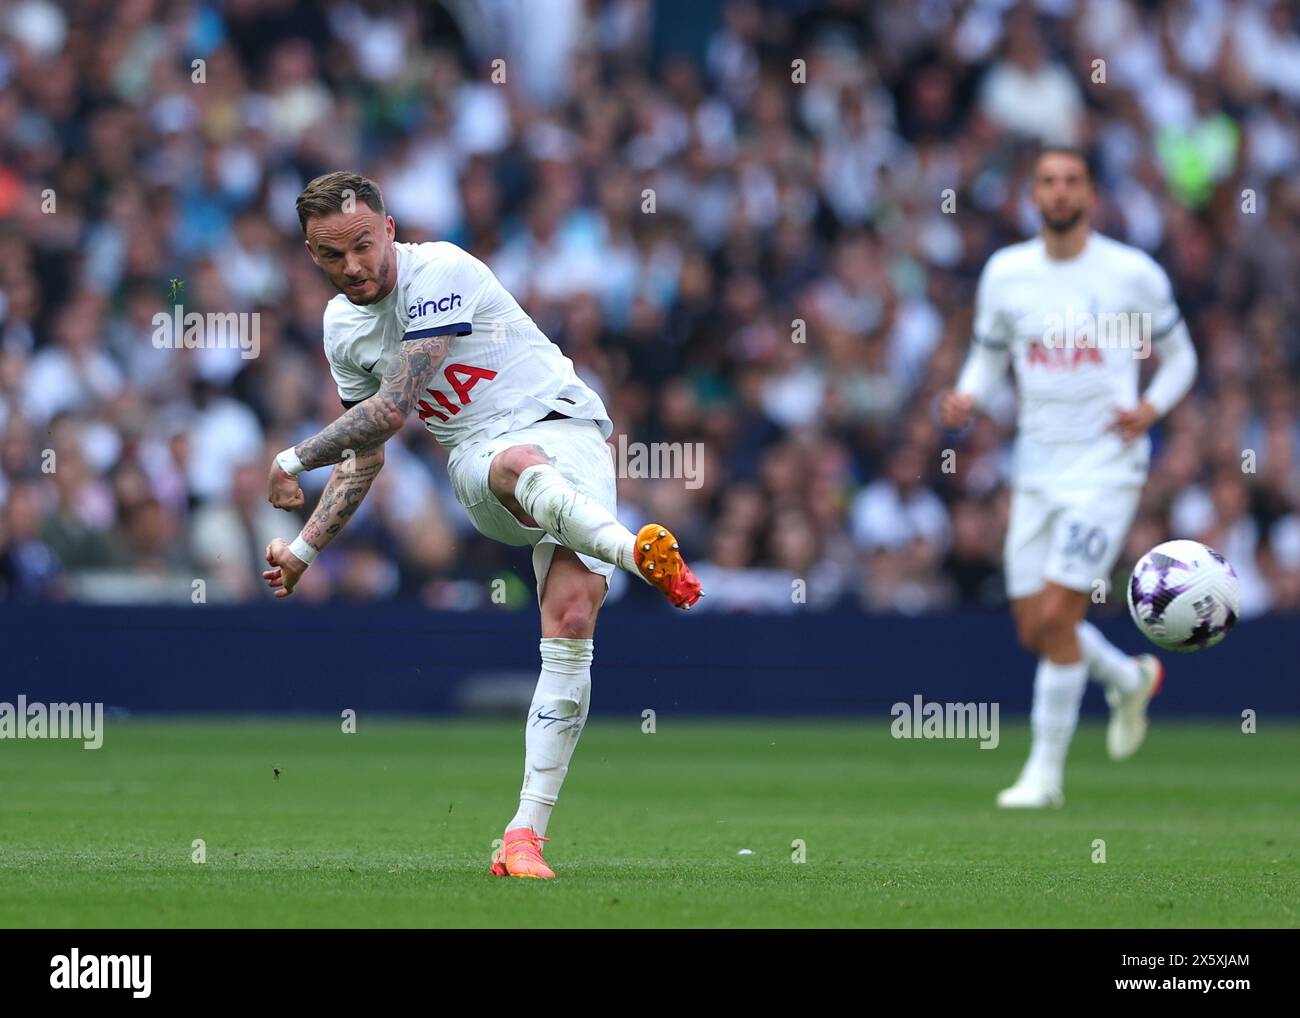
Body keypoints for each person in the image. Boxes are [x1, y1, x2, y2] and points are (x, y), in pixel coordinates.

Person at [262, 172, 703, 875]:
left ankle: (523, 838)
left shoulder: (443, 271)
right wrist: (307, 549)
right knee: (514, 461)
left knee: (570, 619)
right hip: (480, 461)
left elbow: (390, 407)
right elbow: (366, 456)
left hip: (574, 431)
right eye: (329, 255)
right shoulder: (342, 329)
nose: (352, 267)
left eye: (363, 246)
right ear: (310, 254)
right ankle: (637, 553)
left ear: (390, 228)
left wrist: (290, 458)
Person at [940, 148, 1197, 808]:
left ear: (1090, 193)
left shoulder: (1129, 273)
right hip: (1036, 469)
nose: (1059, 193)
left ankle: (1044, 777)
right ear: (1032, 195)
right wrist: (967, 395)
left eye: (1071, 181)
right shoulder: (1007, 273)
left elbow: (1181, 359)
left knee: (1058, 613)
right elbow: (988, 353)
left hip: (1106, 469)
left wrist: (1150, 408)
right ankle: (1126, 677)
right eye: (1048, 182)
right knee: (1034, 627)